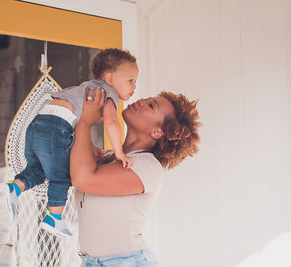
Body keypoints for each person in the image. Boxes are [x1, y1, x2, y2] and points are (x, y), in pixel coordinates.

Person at [0, 48, 138, 239]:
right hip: (56, 128)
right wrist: (119, 152)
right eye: (131, 80)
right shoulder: (107, 92)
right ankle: (54, 217)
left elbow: (78, 124)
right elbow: (112, 122)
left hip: (37, 125)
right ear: (110, 79)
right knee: (61, 175)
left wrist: (92, 147)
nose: (134, 86)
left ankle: (14, 188)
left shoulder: (85, 88)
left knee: (39, 169)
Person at [70, 88, 200, 266]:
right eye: (146, 98)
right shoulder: (108, 158)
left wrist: (85, 120)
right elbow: (69, 174)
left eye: (151, 105)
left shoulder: (148, 167)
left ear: (157, 132)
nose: (141, 101)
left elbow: (82, 179)